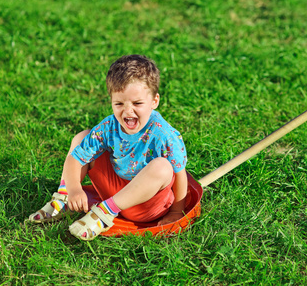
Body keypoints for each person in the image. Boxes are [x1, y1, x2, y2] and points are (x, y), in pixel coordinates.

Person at [28, 55, 188, 241]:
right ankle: (64, 200)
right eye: (119, 104)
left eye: (137, 103)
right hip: (114, 191)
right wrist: (73, 189)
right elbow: (75, 158)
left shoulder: (164, 135)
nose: (127, 111)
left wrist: (177, 211)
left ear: (154, 101)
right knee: (82, 137)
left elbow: (180, 174)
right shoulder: (109, 127)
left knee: (163, 166)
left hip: (146, 206)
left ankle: (103, 214)